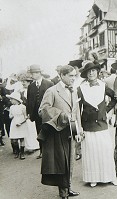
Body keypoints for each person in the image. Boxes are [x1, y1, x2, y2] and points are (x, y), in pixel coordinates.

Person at [38, 65, 81, 199]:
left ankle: (68, 188)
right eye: (70, 76)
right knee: (61, 162)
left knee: (70, 161)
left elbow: (76, 112)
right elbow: (42, 110)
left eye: (74, 75)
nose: (73, 78)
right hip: (57, 131)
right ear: (62, 75)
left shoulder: (74, 91)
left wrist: (78, 130)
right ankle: (63, 193)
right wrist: (61, 115)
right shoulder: (52, 91)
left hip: (71, 130)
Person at [77, 62, 117, 187]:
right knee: (91, 151)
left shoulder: (103, 85)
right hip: (88, 125)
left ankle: (111, 177)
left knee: (105, 149)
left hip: (101, 123)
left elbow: (114, 97)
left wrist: (106, 110)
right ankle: (93, 177)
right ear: (86, 74)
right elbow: (77, 108)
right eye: (89, 72)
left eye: (93, 71)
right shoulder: (81, 89)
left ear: (97, 72)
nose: (91, 73)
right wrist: (79, 126)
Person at [27, 64, 54, 159]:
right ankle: (42, 151)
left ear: (39, 73)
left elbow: (53, 98)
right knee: (39, 132)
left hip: (47, 113)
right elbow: (29, 100)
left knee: (49, 132)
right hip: (36, 114)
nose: (31, 76)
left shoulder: (49, 84)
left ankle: (50, 152)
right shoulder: (31, 86)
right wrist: (29, 113)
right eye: (31, 73)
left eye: (33, 73)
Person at [18, 72, 40, 152]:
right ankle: (30, 146)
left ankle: (35, 145)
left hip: (32, 112)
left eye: (25, 81)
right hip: (25, 111)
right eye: (22, 82)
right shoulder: (21, 91)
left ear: (29, 82)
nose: (23, 83)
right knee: (27, 130)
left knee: (33, 129)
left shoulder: (33, 89)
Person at [7, 92, 28, 159]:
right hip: (14, 123)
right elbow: (10, 116)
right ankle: (17, 151)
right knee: (14, 139)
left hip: (21, 123)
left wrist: (21, 122)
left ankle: (22, 153)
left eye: (11, 99)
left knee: (21, 138)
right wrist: (11, 116)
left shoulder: (23, 107)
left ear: (16, 100)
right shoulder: (11, 107)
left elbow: (26, 117)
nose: (10, 100)